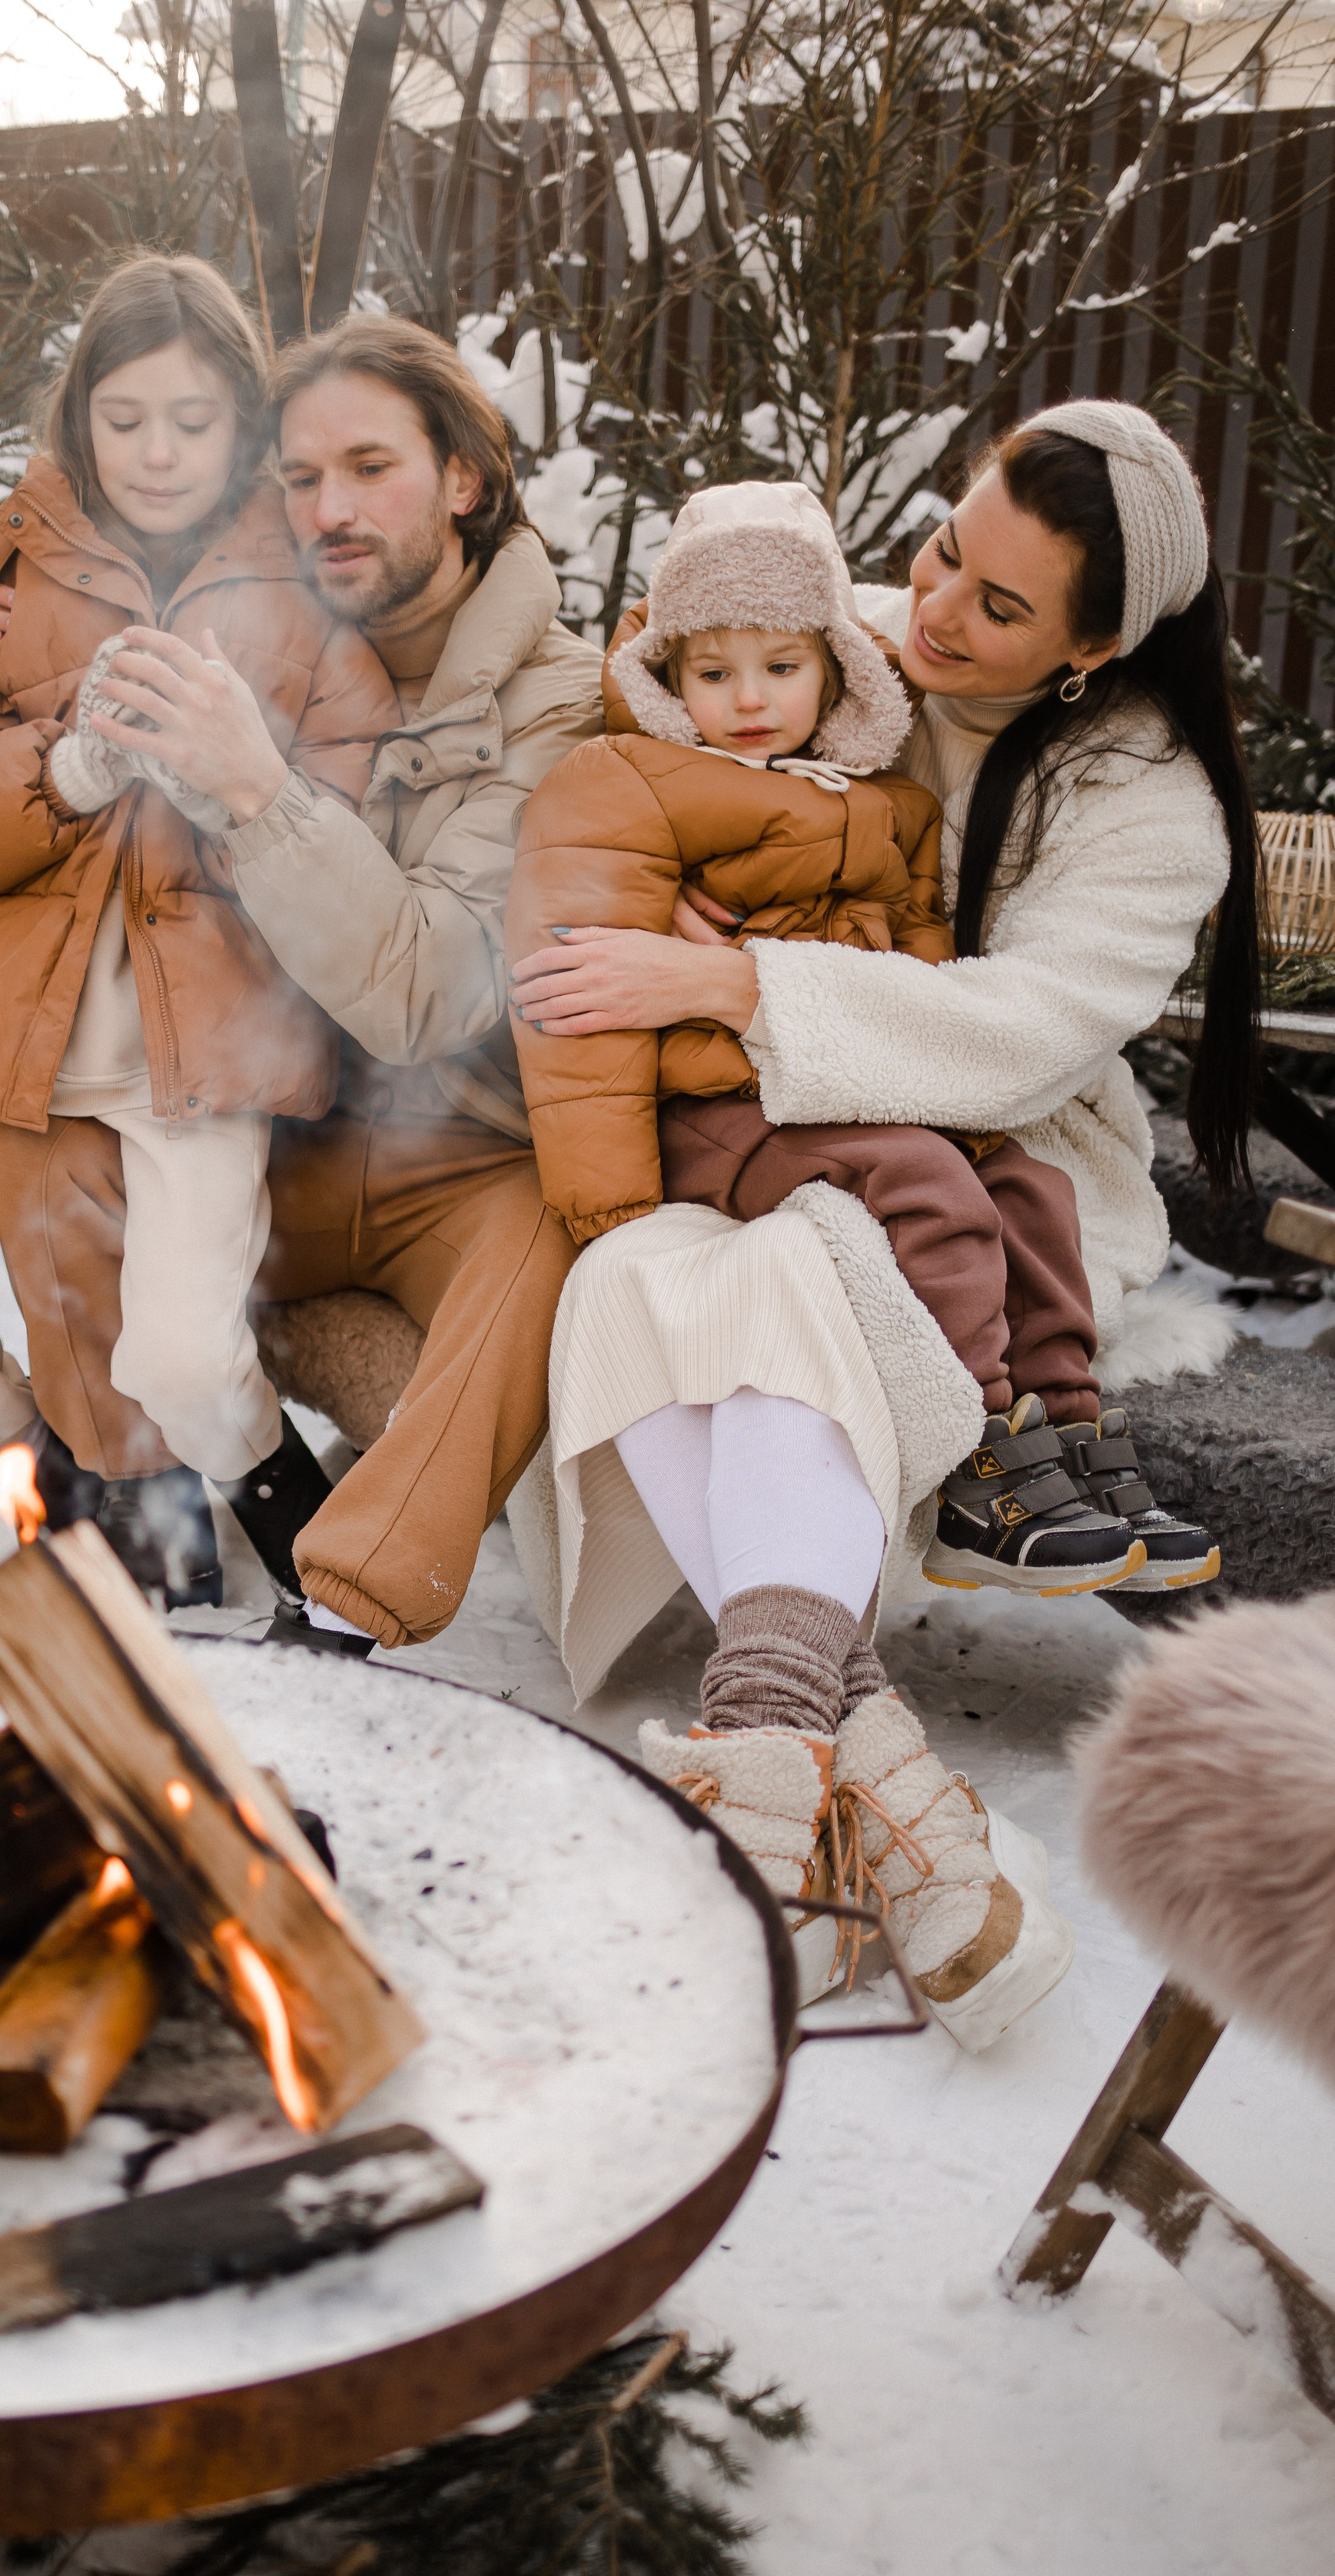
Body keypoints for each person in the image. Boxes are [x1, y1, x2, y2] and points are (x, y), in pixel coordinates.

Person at [507, 401, 1260, 2050]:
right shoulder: (823, 644)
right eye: (937, 554)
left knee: (790, 1283)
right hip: (729, 1111)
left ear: (1092, 646)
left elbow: (1019, 1033)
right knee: (627, 1277)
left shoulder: (1147, 804)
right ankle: (880, 1787)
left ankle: (790, 1729)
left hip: (995, 1166)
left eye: (996, 609)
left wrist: (736, 972)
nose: (925, 615)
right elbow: (621, 697)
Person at [0, 314, 602, 1653]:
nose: (329, 510)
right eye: (297, 479)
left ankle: (353, 1589)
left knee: (544, 1225)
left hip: (439, 1153)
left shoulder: (559, 702)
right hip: (258, 1132)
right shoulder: (240, 635)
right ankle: (125, 1500)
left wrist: (259, 788)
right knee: (63, 1153)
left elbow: (437, 989)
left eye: (369, 467)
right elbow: (18, 754)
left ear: (465, 475)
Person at [0, 255, 396, 1606]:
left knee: (188, 1363)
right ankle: (53, 1475)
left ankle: (314, 1552)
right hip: (0, 1044)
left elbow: (349, 810)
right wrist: (69, 767)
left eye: (193, 422)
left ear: (244, 423)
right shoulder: (3, 566)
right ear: (81, 412)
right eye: (124, 417)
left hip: (198, 1059)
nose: (156, 452)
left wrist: (229, 781)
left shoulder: (303, 592)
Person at [507, 475, 1187, 1602]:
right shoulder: (626, 780)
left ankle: (1062, 1430)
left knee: (1028, 1187)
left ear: (836, 668)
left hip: (840, 1087)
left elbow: (928, 961)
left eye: (781, 671)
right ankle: (972, 1455)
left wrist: (873, 1035)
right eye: (713, 676)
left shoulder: (886, 801)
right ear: (672, 678)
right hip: (713, 1107)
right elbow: (575, 1010)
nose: (751, 698)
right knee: (926, 1184)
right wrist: (607, 1214)